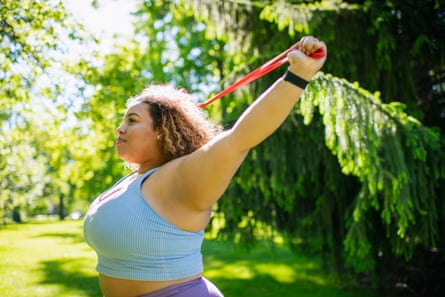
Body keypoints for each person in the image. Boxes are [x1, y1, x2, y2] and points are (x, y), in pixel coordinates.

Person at [83, 36, 327, 297]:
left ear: (162, 132)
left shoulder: (182, 177)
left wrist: (299, 74)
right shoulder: (133, 180)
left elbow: (239, 138)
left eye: (132, 120)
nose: (120, 128)